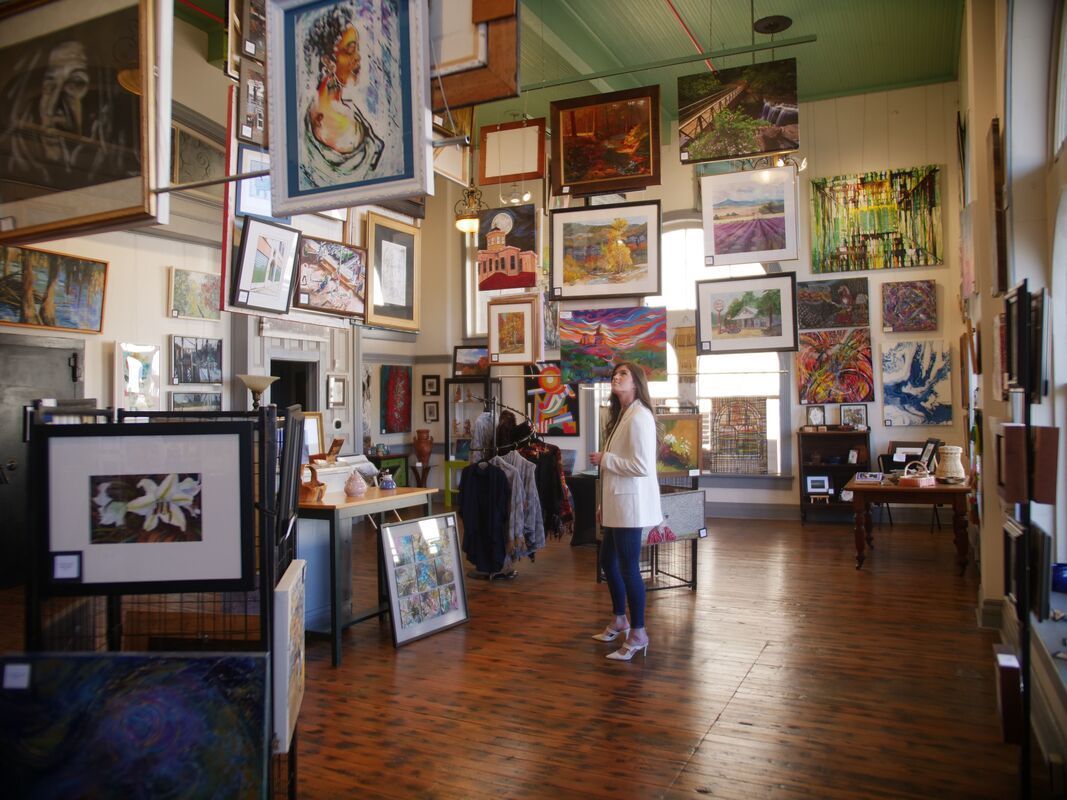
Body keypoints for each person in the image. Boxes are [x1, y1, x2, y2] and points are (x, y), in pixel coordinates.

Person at [588, 362, 661, 661]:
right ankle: (620, 619)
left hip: (631, 506)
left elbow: (642, 466)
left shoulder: (640, 416)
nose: (615, 378)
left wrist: (606, 459)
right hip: (619, 503)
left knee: (629, 568)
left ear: (636, 383)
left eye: (623, 375)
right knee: (608, 560)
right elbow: (621, 465)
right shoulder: (621, 416)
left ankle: (639, 633)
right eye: (614, 375)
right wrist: (605, 504)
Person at [302, 6, 384, 186]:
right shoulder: (318, 118)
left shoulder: (350, 109)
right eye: (350, 50)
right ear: (327, 60)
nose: (358, 58)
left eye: (357, 49)